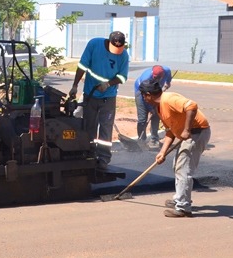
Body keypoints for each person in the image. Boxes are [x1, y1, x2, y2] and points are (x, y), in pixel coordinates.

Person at [139, 78, 211, 218]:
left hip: (197, 132)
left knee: (183, 169)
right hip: (191, 133)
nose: (143, 99)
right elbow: (170, 131)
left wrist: (186, 129)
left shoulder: (168, 99)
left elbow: (192, 106)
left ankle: (183, 207)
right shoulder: (160, 108)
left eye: (143, 95)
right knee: (177, 166)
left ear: (148, 95)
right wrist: (162, 152)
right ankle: (179, 198)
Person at [68, 31, 130, 169]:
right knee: (89, 126)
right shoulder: (94, 44)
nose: (117, 51)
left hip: (108, 97)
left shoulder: (124, 55)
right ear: (108, 42)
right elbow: (82, 66)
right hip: (90, 95)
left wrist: (108, 84)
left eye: (119, 48)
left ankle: (103, 159)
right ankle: (89, 155)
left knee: (105, 129)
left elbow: (122, 77)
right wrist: (75, 86)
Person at [134, 64, 172, 145]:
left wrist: (168, 82)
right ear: (152, 74)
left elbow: (169, 76)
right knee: (142, 119)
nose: (156, 79)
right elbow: (145, 98)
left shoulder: (166, 70)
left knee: (156, 116)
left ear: (162, 75)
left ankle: (154, 139)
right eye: (155, 78)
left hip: (155, 92)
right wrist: (151, 108)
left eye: (158, 78)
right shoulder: (146, 79)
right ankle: (141, 140)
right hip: (141, 93)